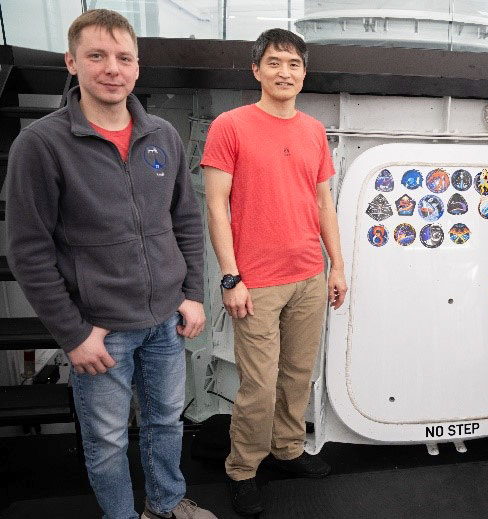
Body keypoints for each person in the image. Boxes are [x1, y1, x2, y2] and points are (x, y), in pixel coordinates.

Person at [6, 9, 215, 519]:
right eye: (96, 56)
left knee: (167, 421)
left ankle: (165, 506)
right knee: (105, 440)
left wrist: (192, 294)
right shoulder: (41, 144)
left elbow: (185, 220)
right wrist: (73, 335)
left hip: (166, 319)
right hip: (100, 329)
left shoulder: (161, 135)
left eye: (123, 58)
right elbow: (28, 251)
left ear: (137, 68)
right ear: (71, 62)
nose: (111, 69)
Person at [201, 28, 348, 515]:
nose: (285, 72)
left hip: (308, 274)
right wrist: (230, 276)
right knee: (258, 386)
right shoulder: (230, 125)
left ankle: (286, 450)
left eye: (294, 65)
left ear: (304, 73)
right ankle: (243, 468)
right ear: (256, 70)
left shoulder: (312, 131)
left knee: (297, 375)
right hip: (255, 283)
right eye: (275, 63)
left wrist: (336, 266)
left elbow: (324, 203)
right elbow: (217, 207)